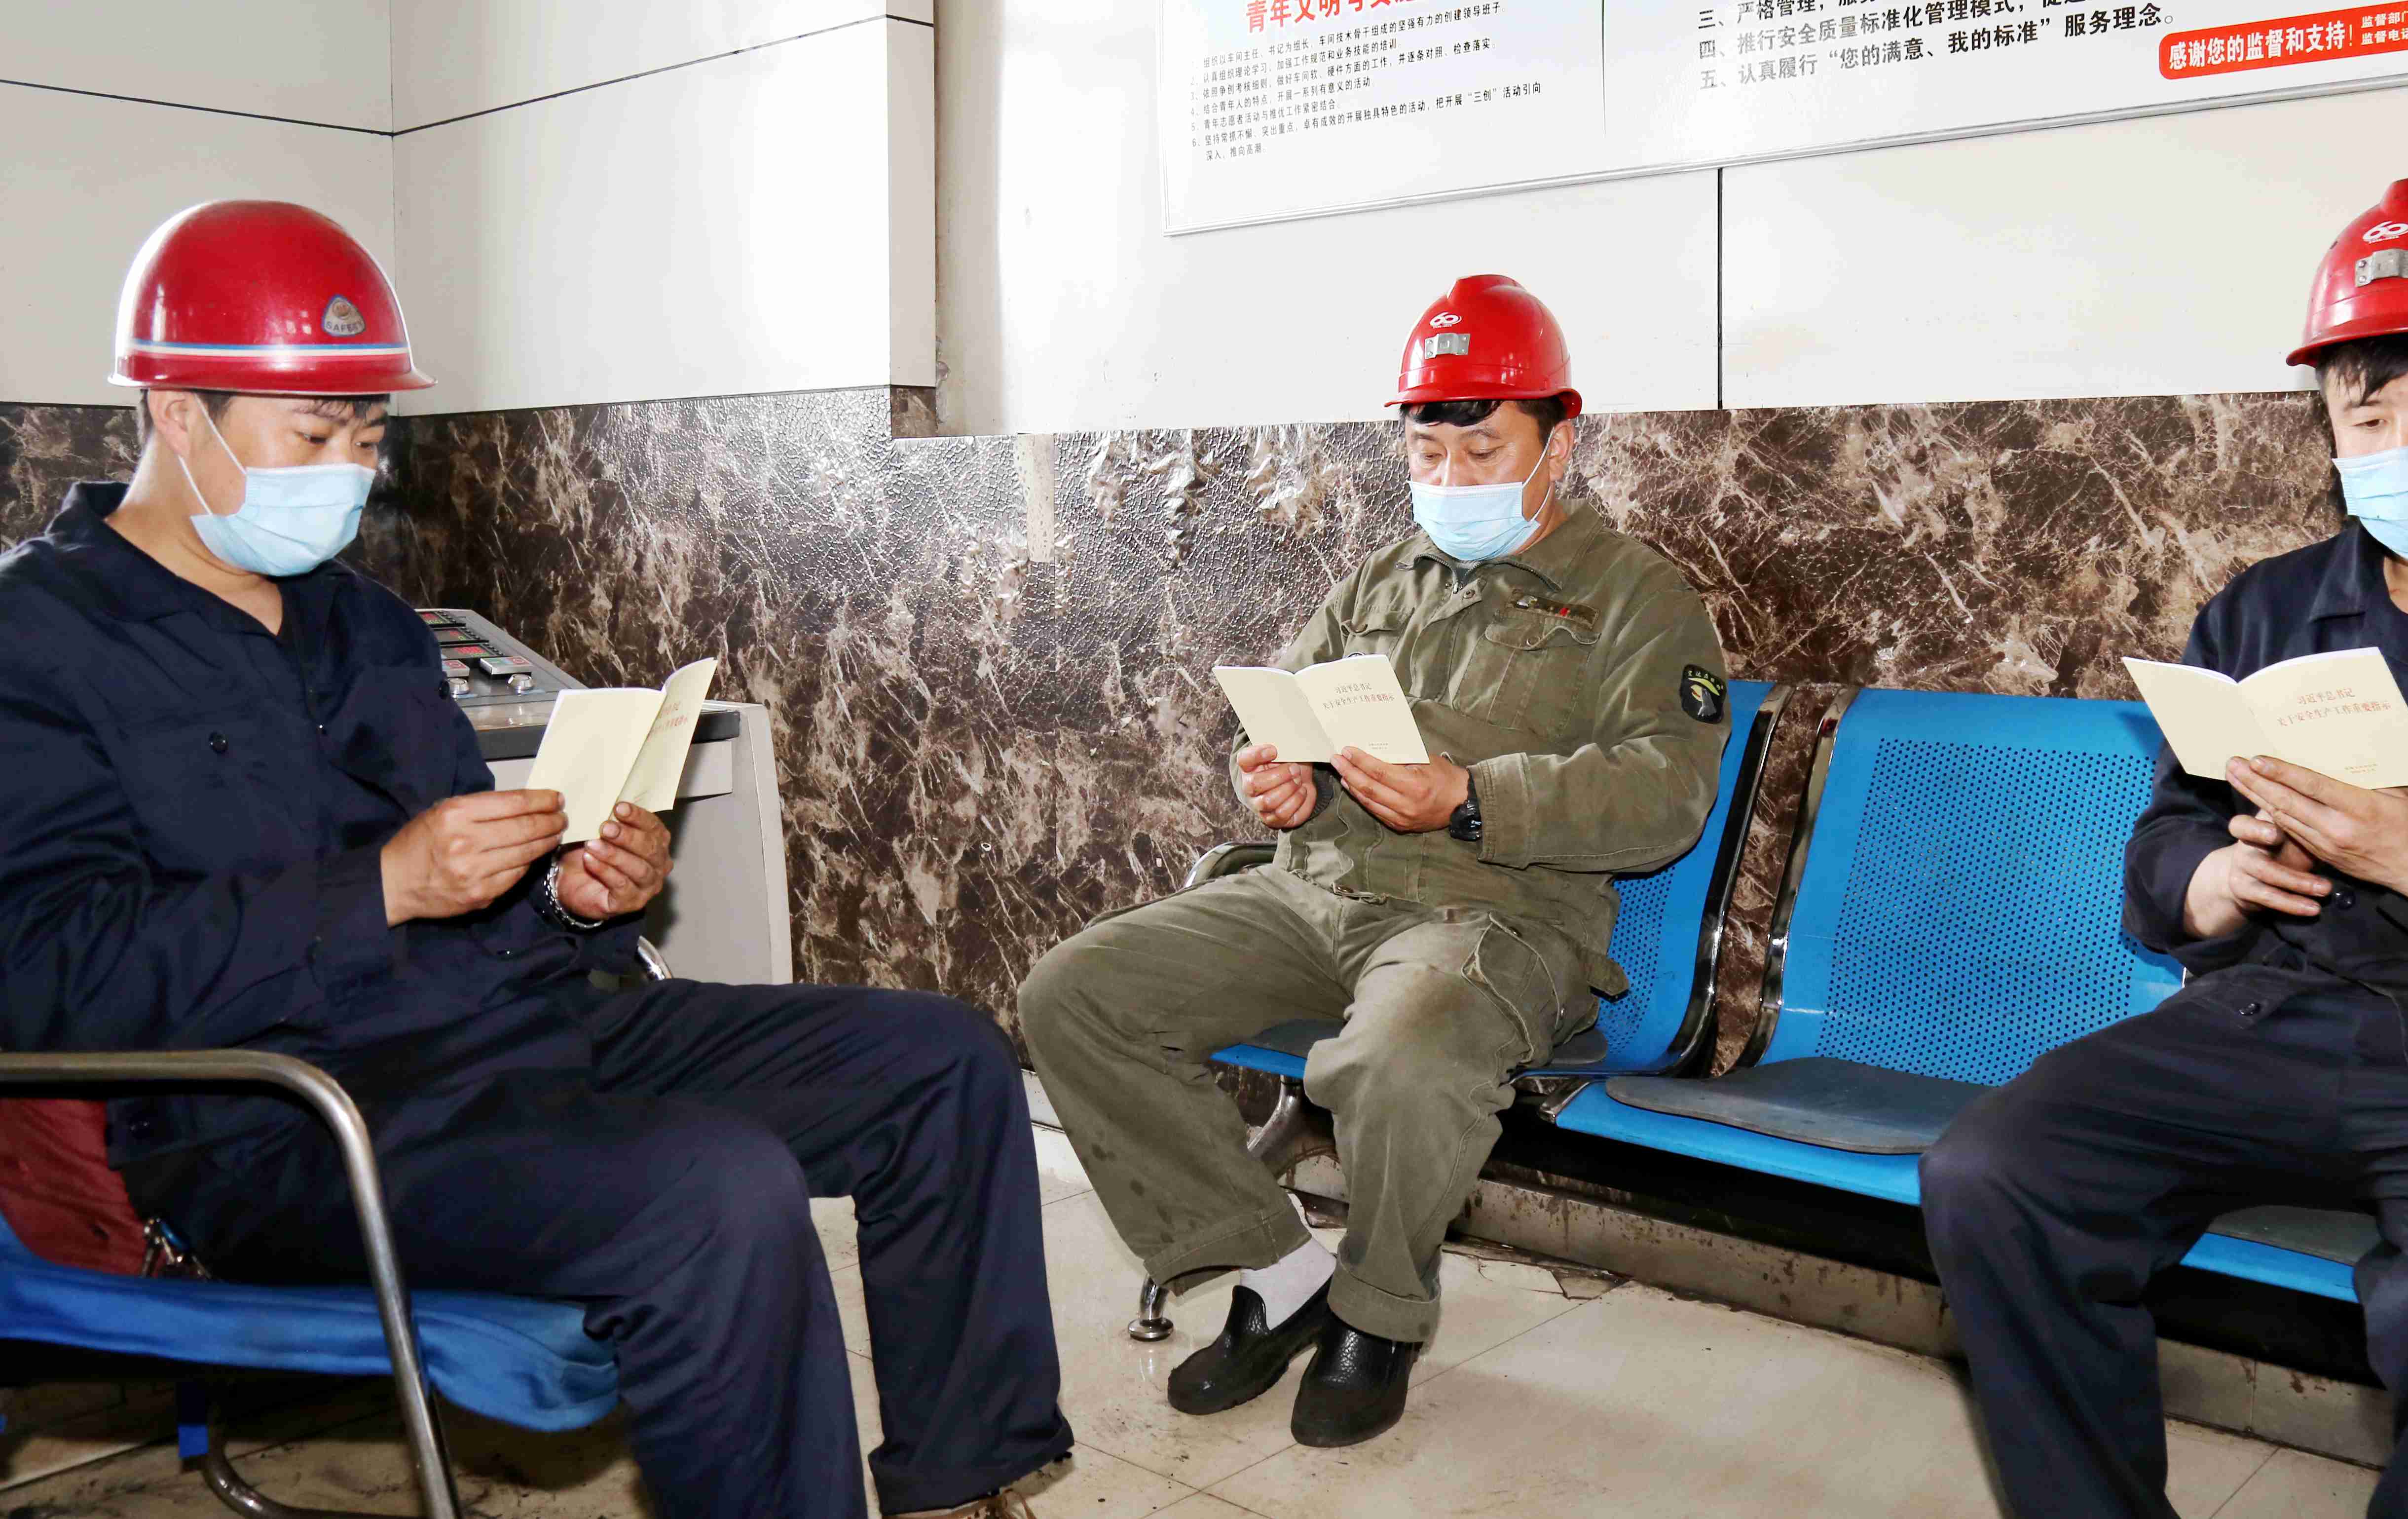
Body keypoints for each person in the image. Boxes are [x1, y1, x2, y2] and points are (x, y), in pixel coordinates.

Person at [0, 200, 1071, 1519]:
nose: (347, 470)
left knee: (944, 1062)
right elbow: (45, 972)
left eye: (369, 437)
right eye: (314, 435)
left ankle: (961, 1481)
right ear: (178, 413)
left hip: (516, 1029)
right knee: (717, 1193)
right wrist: (378, 888)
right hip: (290, 1119)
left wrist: (569, 896)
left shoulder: (371, 627)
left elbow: (476, 881)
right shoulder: (37, 641)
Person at [1921, 174, 2408, 1519]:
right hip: (2271, 1021)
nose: (2405, 448)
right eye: (2369, 417)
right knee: (1994, 1169)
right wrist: (2216, 881)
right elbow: (2168, 838)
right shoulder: (2272, 610)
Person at [1022, 274, 1732, 1447]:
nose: (1451, 480)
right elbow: (1287, 717)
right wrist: (1277, 779)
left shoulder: (1638, 597)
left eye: (1483, 452)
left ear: (1560, 440)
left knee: (1402, 1055)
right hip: (1314, 891)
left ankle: (1378, 1309)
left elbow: (1668, 793)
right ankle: (1278, 1269)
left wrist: (1473, 796)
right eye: (1426, 453)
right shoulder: (1382, 580)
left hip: (1492, 918)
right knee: (1076, 994)